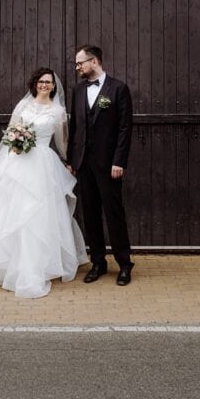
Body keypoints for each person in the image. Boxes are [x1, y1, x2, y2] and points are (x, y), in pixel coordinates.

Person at [0, 68, 88, 299]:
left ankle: (38, 264)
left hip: (43, 163)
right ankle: (2, 264)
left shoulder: (58, 111)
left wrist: (68, 162)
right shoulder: (23, 106)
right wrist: (15, 143)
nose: (44, 85)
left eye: (48, 82)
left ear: (54, 86)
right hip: (18, 162)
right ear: (35, 84)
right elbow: (10, 133)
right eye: (41, 81)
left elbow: (62, 142)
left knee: (38, 213)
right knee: (9, 211)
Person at [67, 45, 134, 285]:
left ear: (94, 61)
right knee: (91, 214)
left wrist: (119, 161)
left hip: (109, 165)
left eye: (80, 63)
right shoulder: (77, 90)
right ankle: (98, 262)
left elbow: (125, 129)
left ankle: (124, 264)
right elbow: (75, 128)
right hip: (84, 164)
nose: (78, 68)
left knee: (114, 213)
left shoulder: (118, 89)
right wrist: (72, 160)